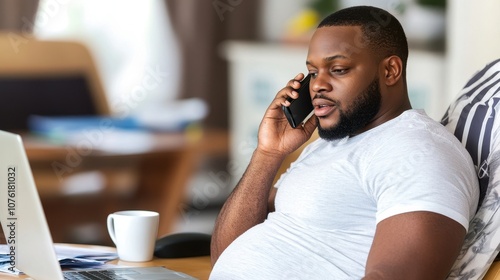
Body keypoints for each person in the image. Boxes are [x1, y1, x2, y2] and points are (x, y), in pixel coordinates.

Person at [210, 5, 479, 280]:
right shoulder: (327, 146)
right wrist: (267, 154)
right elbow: (224, 255)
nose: (317, 86)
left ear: (390, 71)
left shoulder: (419, 153)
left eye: (337, 69)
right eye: (313, 72)